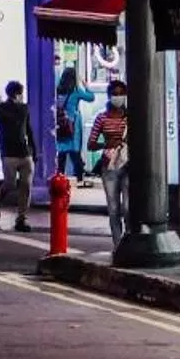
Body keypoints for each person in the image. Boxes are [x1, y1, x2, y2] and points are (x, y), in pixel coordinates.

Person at [0, 80, 37, 233]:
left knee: (26, 185)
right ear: (18, 93)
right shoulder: (0, 109)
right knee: (10, 183)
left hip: (23, 152)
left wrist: (33, 150)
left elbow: (28, 130)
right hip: (9, 152)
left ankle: (21, 218)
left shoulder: (23, 109)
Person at [89, 81, 132, 241]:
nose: (118, 97)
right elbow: (91, 144)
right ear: (109, 96)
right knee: (114, 209)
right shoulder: (101, 118)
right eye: (115, 93)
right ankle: (118, 244)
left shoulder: (130, 117)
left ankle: (128, 239)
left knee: (128, 208)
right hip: (109, 166)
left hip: (128, 165)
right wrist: (107, 144)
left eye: (121, 93)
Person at [55, 66, 95, 181]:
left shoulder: (58, 90)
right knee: (75, 150)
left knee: (61, 152)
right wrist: (85, 85)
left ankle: (60, 177)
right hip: (73, 124)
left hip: (60, 123)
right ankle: (79, 177)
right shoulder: (76, 92)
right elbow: (91, 97)